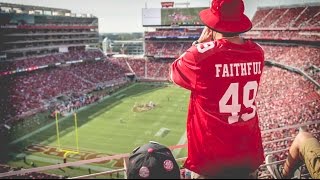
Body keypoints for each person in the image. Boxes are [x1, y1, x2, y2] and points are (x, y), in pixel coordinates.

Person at [170, 0, 265, 178]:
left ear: (214, 24)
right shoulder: (258, 52)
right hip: (247, 153)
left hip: (211, 159)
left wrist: (198, 43)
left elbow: (174, 72)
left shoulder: (199, 55)